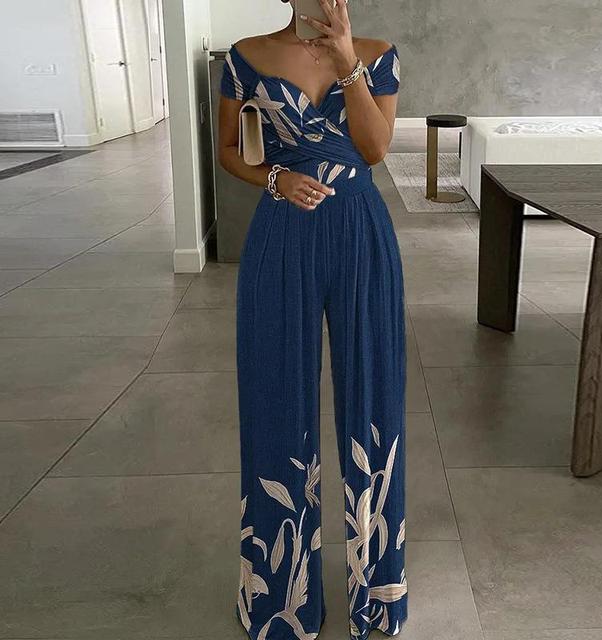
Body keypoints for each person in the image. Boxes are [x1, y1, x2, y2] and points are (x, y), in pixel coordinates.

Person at [218, 1, 407, 638]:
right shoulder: (246, 56)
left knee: (375, 403)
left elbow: (375, 149)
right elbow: (228, 150)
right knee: (274, 397)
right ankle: (280, 599)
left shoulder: (377, 55)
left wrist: (349, 61)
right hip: (282, 237)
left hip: (361, 234)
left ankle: (376, 594)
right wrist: (274, 178)